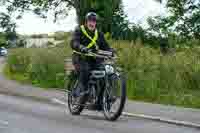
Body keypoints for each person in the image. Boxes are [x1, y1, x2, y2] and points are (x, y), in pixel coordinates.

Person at [70, 12, 113, 97]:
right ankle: (84, 90)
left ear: (96, 23)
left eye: (94, 21)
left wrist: (111, 51)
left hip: (94, 60)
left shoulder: (99, 34)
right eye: (90, 21)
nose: (92, 23)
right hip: (79, 57)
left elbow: (105, 46)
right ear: (86, 22)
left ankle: (100, 101)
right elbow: (73, 42)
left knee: (105, 74)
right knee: (85, 69)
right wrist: (81, 47)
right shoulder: (79, 30)